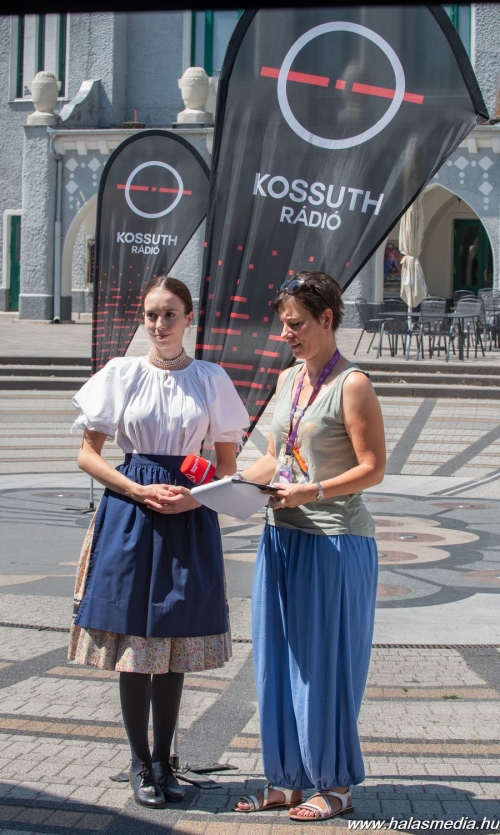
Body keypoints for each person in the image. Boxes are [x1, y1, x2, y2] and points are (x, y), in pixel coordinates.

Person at [68, 276, 249, 809]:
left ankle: (166, 759)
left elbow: (228, 466)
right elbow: (88, 455)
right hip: (132, 510)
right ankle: (139, 762)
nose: (159, 324)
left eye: (170, 314)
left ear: (189, 318)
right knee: (136, 645)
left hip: (188, 513)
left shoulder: (211, 378)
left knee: (173, 643)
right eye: (151, 314)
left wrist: (195, 500)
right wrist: (137, 488)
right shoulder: (121, 373)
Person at [234, 271, 385, 822]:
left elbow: (374, 468)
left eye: (296, 324)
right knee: (276, 662)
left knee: (324, 668)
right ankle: (288, 779)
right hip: (281, 536)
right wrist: (227, 487)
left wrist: (312, 490)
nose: (286, 334)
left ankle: (335, 785)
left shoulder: (353, 384)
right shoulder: (287, 380)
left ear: (326, 318)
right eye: (283, 324)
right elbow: (276, 458)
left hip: (334, 542)